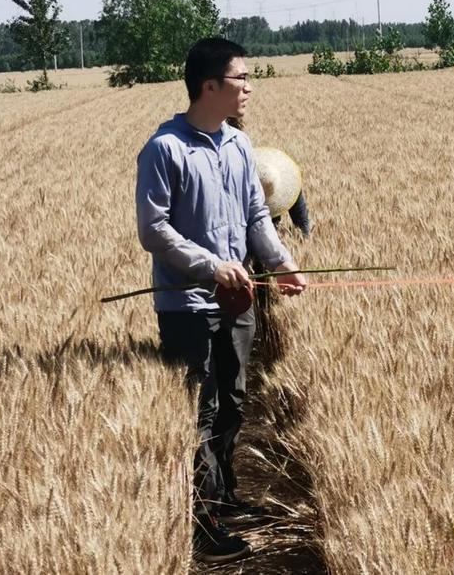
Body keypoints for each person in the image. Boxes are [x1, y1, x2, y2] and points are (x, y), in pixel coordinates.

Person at [136, 38, 306, 564]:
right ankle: (202, 521)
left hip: (239, 300)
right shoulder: (165, 149)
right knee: (201, 411)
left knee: (232, 401)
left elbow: (256, 216)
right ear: (209, 86)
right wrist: (212, 266)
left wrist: (280, 263)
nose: (249, 87)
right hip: (188, 306)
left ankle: (224, 495)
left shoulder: (238, 145)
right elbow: (154, 230)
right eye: (241, 78)